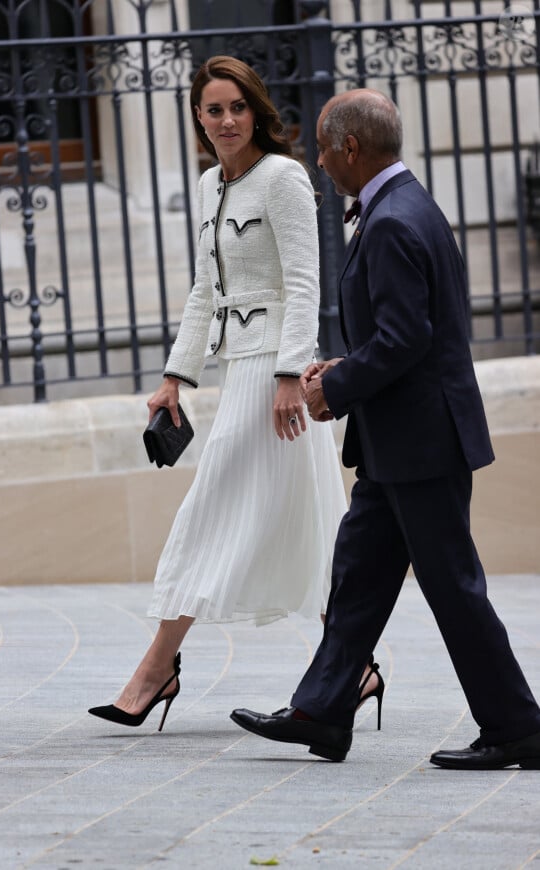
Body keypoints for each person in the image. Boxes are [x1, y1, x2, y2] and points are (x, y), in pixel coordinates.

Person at [230, 88, 540, 768]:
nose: (317, 160)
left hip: (422, 444)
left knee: (454, 588)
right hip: (398, 442)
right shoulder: (407, 206)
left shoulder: (395, 220)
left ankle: (518, 728)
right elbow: (411, 336)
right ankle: (323, 711)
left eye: (321, 147)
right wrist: (343, 368)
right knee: (359, 578)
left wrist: (332, 388)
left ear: (350, 148)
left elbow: (404, 339)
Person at [88, 58, 382, 731]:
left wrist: (288, 375)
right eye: (213, 109)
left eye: (236, 108)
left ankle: (154, 672)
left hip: (271, 374)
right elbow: (204, 291)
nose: (225, 121)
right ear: (197, 116)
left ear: (257, 112)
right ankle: (355, 666)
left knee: (209, 508)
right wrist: (174, 378)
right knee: (305, 518)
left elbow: (306, 282)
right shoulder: (207, 185)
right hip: (236, 370)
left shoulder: (283, 179)